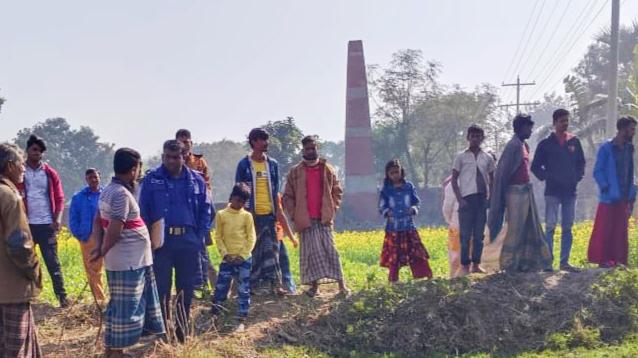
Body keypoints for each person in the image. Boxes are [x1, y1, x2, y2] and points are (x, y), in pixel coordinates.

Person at [90, 148, 165, 358]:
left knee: (120, 307)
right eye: (138, 168)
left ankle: (113, 351)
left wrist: (98, 246)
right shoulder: (121, 194)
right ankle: (115, 353)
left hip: (131, 260)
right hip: (128, 262)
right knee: (126, 310)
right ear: (133, 169)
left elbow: (97, 219)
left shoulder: (108, 190)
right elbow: (115, 229)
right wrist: (101, 250)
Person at [139, 140, 212, 342]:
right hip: (162, 243)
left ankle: (181, 331)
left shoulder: (196, 180)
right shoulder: (152, 180)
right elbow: (143, 211)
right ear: (163, 157)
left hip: (188, 241)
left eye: (176, 157)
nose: (172, 161)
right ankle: (164, 333)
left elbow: (206, 211)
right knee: (162, 289)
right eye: (168, 157)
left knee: (186, 289)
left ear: (184, 157)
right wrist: (149, 241)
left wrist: (199, 237)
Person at [283, 135, 349, 297]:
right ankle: (314, 287)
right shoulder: (295, 171)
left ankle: (342, 286)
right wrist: (294, 214)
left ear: (316, 148)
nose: (311, 151)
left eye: (313, 148)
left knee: (331, 251)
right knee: (310, 253)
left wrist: (332, 208)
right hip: (305, 219)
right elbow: (287, 197)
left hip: (324, 219)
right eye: (308, 149)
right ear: (303, 150)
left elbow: (337, 190)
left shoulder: (327, 168)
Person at [488, 114, 552, 272]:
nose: (531, 130)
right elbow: (502, 173)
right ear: (521, 128)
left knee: (530, 226)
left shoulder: (524, 146)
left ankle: (529, 262)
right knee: (515, 228)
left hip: (526, 190)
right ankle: (508, 264)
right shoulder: (513, 146)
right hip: (515, 192)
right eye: (528, 127)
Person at [0, 143, 43, 358]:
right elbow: (19, 245)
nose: (24, 167)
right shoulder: (9, 196)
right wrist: (34, 271)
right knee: (16, 349)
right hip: (11, 290)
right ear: (9, 166)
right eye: (20, 163)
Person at [531, 109, 586, 272]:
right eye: (562, 121)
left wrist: (576, 177)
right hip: (552, 191)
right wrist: (548, 177)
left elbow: (581, 164)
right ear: (554, 123)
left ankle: (564, 262)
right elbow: (535, 167)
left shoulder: (574, 142)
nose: (565, 123)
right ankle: (548, 263)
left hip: (570, 192)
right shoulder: (545, 144)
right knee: (550, 226)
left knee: (568, 226)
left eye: (567, 120)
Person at [235, 128, 286, 295]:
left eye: (266, 140)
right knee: (253, 250)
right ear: (253, 142)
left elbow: (276, 190)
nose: (266, 143)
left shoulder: (272, 164)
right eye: (262, 140)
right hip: (251, 215)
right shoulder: (244, 164)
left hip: (269, 214)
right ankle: (253, 286)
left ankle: (276, 284)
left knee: (272, 249)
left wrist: (278, 210)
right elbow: (239, 189)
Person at [19, 135, 68, 307]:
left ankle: (62, 298)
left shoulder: (49, 173)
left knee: (52, 262)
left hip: (46, 224)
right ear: (27, 150)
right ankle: (28, 298)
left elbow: (60, 197)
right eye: (34, 150)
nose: (37, 153)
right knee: (26, 263)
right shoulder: (20, 171)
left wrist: (58, 219)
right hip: (27, 225)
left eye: (40, 151)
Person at [588, 116, 637, 268]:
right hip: (609, 197)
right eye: (631, 129)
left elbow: (630, 172)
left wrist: (631, 195)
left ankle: (620, 261)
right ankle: (604, 260)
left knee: (621, 230)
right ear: (622, 129)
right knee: (606, 229)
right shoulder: (606, 148)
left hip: (624, 196)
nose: (633, 132)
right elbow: (598, 171)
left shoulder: (629, 148)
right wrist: (606, 187)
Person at [175, 129, 216, 297]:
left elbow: (207, 189)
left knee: (201, 251)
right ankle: (189, 288)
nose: (184, 145)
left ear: (191, 143)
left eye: (187, 141)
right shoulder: (173, 161)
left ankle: (203, 286)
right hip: (182, 214)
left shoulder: (199, 162)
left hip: (199, 212)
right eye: (181, 142)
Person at [451, 125, 495, 276]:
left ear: (482, 138)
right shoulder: (461, 157)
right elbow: (454, 179)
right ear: (468, 137)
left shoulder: (487, 158)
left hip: (481, 199)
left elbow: (492, 179)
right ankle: (464, 265)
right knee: (465, 234)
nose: (475, 139)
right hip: (466, 199)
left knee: (479, 235)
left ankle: (476, 264)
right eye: (473, 136)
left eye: (478, 136)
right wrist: (460, 199)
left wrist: (491, 197)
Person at [379, 159, 432, 282]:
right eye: (392, 173)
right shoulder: (386, 190)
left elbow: (416, 202)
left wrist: (413, 209)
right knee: (394, 255)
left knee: (417, 252)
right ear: (388, 174)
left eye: (397, 172)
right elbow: (382, 206)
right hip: (393, 228)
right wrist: (388, 212)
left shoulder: (409, 187)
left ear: (401, 172)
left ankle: (424, 277)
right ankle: (394, 281)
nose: (395, 175)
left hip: (408, 226)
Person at [211, 183, 256, 327]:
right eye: (237, 200)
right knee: (221, 286)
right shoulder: (221, 215)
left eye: (243, 202)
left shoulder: (247, 216)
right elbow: (218, 237)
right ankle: (216, 313)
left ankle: (242, 316)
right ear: (231, 198)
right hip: (227, 259)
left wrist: (242, 255)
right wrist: (225, 254)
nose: (240, 204)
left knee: (243, 288)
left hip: (243, 259)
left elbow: (251, 237)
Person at [69, 168, 106, 305]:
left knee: (113, 267)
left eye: (95, 177)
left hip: (107, 236)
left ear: (99, 177)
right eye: (90, 177)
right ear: (86, 179)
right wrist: (81, 235)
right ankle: (100, 301)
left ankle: (112, 298)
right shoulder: (78, 198)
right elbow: (73, 219)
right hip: (88, 238)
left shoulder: (106, 195)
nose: (94, 180)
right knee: (93, 271)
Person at [441, 176, 462, 278]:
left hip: (456, 225)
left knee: (455, 255)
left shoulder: (452, 183)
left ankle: (454, 278)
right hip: (473, 227)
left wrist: (449, 220)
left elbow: (447, 208)